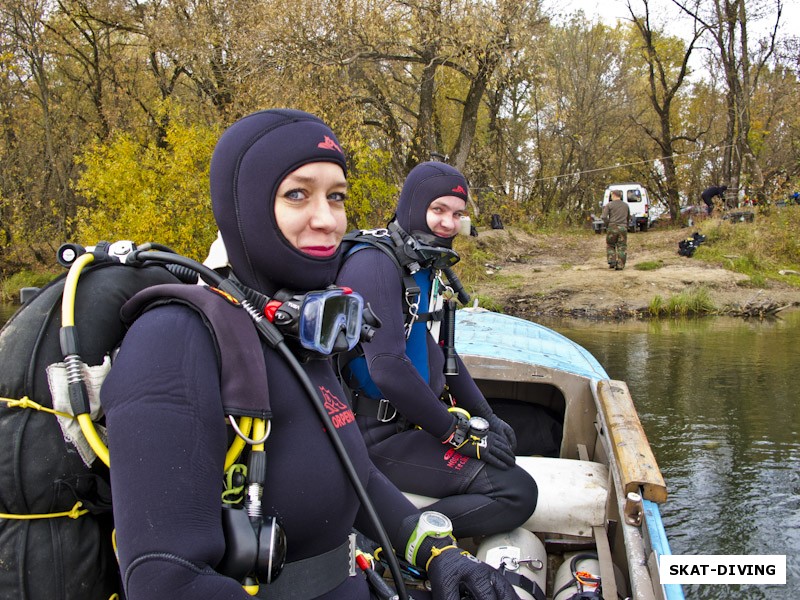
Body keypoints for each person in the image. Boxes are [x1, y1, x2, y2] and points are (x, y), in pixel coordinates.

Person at [100, 110, 516, 600]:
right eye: (297, 194)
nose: (328, 219)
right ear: (245, 205)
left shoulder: (300, 329)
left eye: (336, 196)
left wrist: (437, 552)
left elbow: (355, 473)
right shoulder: (175, 338)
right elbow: (166, 581)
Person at [336, 161, 538, 539]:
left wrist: (486, 416)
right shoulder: (375, 263)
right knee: (516, 493)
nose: (448, 223)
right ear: (413, 207)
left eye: (457, 214)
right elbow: (388, 368)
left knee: (519, 439)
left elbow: (437, 349)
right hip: (373, 437)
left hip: (409, 422)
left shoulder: (418, 263)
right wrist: (457, 434)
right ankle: (396, 540)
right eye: (438, 210)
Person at [602, 189, 630, 270]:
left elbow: (604, 217)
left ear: (614, 195)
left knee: (610, 245)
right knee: (622, 246)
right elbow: (628, 217)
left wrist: (608, 224)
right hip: (623, 227)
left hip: (612, 227)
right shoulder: (625, 205)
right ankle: (620, 265)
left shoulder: (609, 205)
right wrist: (626, 225)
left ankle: (612, 260)